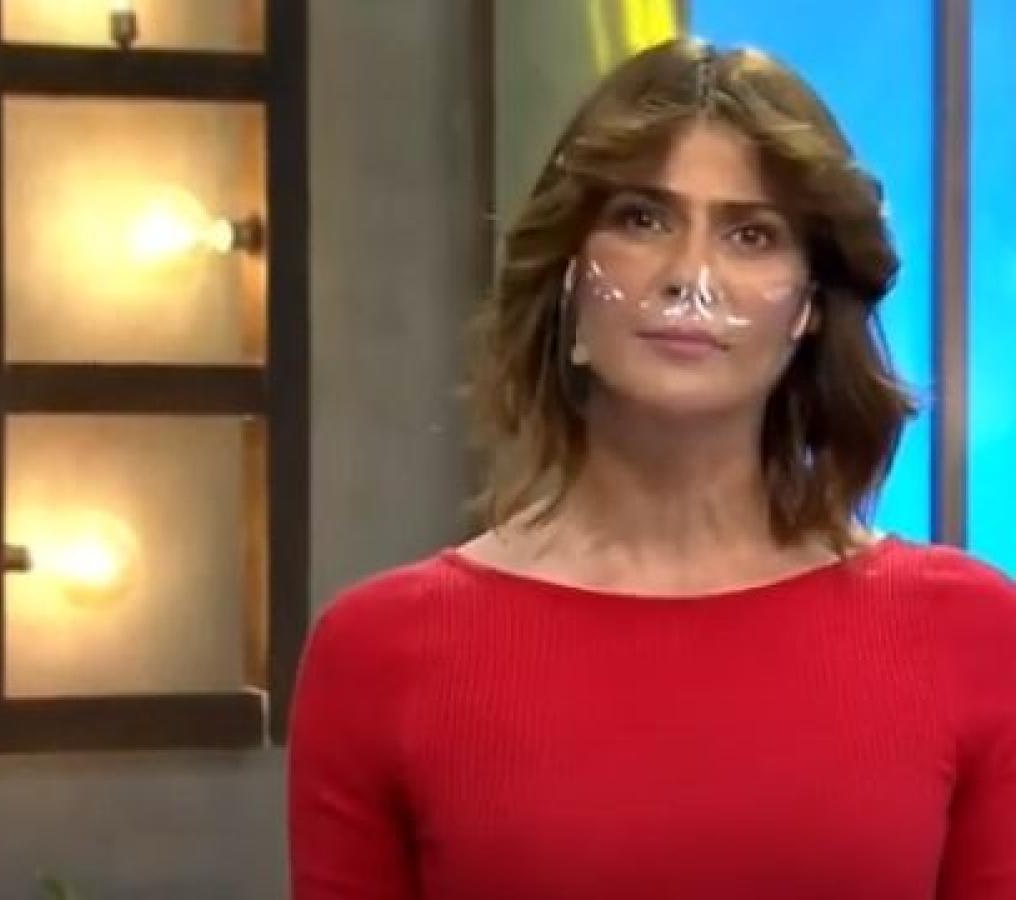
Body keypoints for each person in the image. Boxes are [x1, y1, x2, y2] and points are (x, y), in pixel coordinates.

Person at [287, 37, 1015, 899]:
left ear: (809, 307)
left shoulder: (971, 635)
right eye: (642, 219)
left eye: (751, 234)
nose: (690, 278)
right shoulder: (378, 657)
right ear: (568, 275)